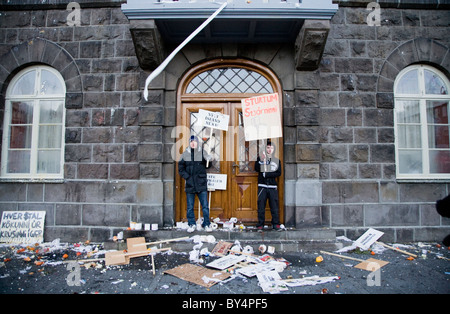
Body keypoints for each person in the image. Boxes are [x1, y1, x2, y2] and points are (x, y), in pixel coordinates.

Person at [178, 135, 213, 233]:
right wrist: (187, 177)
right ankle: (192, 224)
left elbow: (208, 166)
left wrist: (209, 160)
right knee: (190, 207)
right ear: (189, 143)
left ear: (198, 143)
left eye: (195, 141)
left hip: (201, 183)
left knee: (205, 206)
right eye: (191, 141)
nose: (193, 143)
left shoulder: (202, 152)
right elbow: (181, 168)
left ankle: (206, 224)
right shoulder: (185, 154)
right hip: (190, 184)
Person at [254, 140, 282, 232]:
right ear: (265, 149)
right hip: (262, 186)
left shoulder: (277, 161)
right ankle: (260, 224)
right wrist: (263, 161)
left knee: (274, 206)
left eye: (271, 148)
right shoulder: (260, 159)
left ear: (274, 149)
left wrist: (268, 174)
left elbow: (278, 173)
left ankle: (275, 224)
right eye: (268, 147)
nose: (270, 149)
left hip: (272, 187)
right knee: (261, 206)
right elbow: (256, 168)